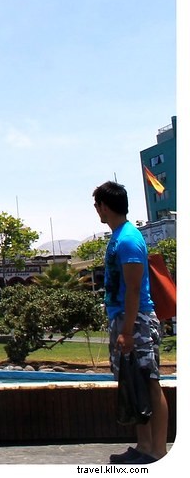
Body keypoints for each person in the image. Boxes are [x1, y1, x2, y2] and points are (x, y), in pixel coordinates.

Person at [93, 181, 168, 464]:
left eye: (97, 205)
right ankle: (143, 446)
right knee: (134, 382)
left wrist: (126, 331)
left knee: (149, 382)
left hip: (135, 321)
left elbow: (134, 288)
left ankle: (157, 451)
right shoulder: (117, 237)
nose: (97, 210)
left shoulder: (128, 239)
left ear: (104, 206)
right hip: (124, 318)